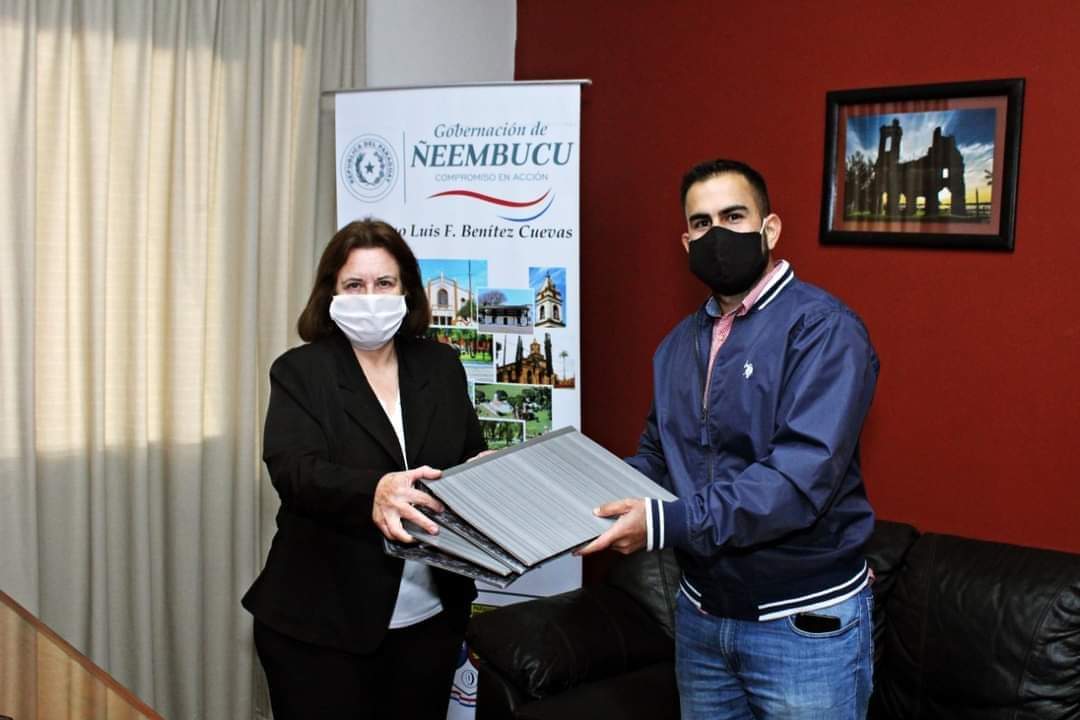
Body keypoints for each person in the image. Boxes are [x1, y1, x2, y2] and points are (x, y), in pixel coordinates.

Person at [578, 159, 880, 719]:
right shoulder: (677, 345)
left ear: (770, 228)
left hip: (800, 624)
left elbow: (796, 480)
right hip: (702, 616)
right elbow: (658, 457)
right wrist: (566, 489)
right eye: (701, 223)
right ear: (686, 241)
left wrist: (663, 522)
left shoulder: (824, 329)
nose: (716, 234)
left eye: (734, 216)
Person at [242, 219, 487, 719]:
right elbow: (294, 469)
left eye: (384, 283)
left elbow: (467, 455)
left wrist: (488, 475)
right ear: (330, 293)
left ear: (407, 291)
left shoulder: (441, 366)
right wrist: (373, 491)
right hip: (320, 628)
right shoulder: (301, 371)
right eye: (354, 284)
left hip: (430, 622)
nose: (370, 297)